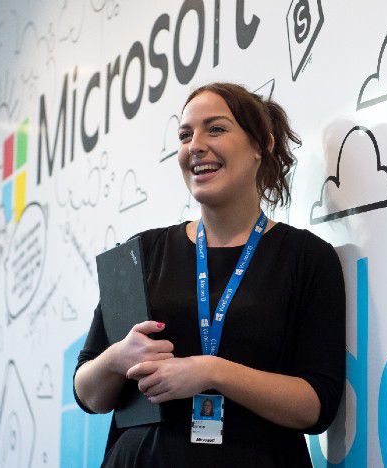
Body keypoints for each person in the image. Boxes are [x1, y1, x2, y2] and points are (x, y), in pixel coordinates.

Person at [73, 82, 346, 467]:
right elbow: (88, 395)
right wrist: (118, 356)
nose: (195, 145)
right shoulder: (142, 254)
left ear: (260, 145)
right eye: (185, 135)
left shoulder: (307, 257)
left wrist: (210, 371)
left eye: (215, 129)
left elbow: (317, 406)